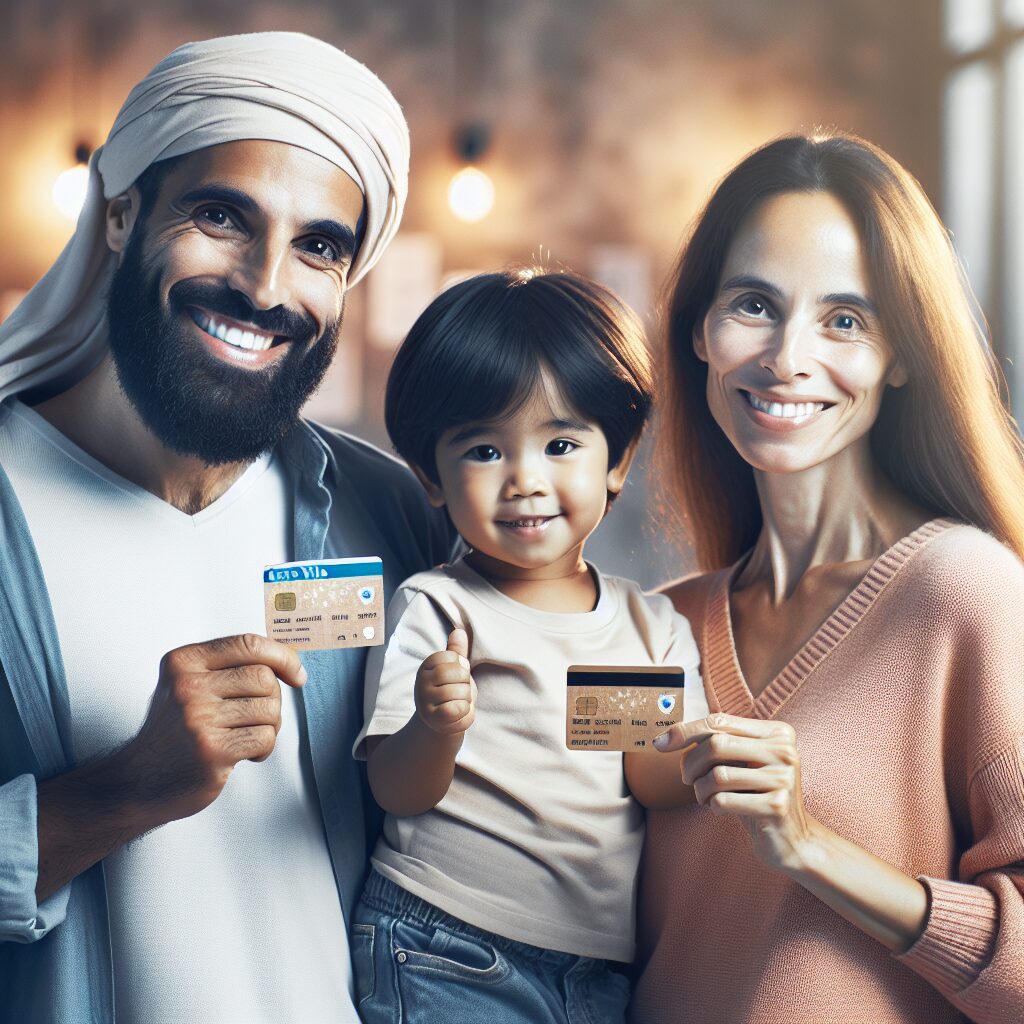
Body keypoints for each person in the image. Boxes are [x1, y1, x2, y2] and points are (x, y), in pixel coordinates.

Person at [0, 32, 453, 1023]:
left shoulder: (385, 514)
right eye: (220, 215)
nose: (263, 284)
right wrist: (124, 789)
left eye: (319, 246)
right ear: (122, 215)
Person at [626, 132, 1024, 1024]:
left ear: (902, 355)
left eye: (845, 320)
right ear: (701, 328)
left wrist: (809, 847)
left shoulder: (967, 594)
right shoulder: (655, 627)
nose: (787, 358)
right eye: (754, 306)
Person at [349, 269, 708, 1023]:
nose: (524, 480)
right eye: (483, 451)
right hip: (443, 940)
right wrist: (434, 726)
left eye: (561, 443)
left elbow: (654, 780)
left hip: (596, 968)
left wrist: (706, 752)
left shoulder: (652, 627)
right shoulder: (440, 608)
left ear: (618, 459)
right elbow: (396, 789)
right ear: (432, 477)